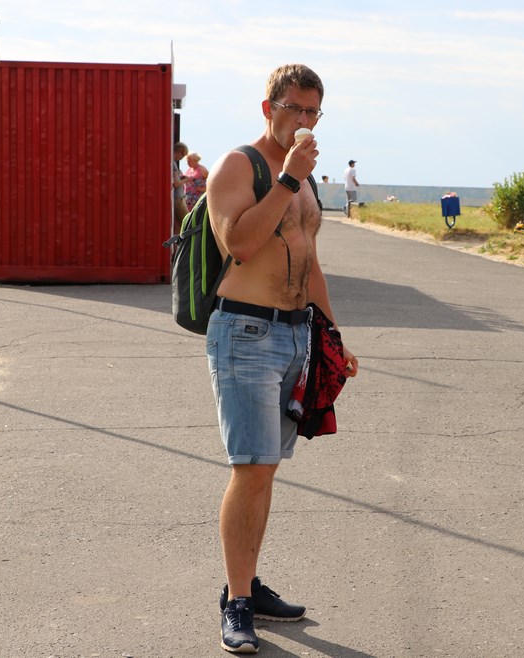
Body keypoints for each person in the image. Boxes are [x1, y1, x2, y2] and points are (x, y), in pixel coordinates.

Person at [206, 63, 358, 654]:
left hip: (296, 335)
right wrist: (290, 178)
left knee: (265, 469)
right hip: (245, 331)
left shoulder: (306, 176)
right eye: (294, 108)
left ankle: (244, 584)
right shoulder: (239, 165)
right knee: (251, 467)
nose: (304, 120)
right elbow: (241, 244)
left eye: (313, 111)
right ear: (267, 107)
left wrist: (332, 335)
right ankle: (237, 605)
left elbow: (309, 259)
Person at [172, 141, 190, 234]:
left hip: (177, 197)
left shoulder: (172, 163)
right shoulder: (173, 164)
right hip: (178, 198)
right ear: (180, 152)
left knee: (178, 225)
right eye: (182, 156)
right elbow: (176, 183)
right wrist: (185, 180)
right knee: (187, 222)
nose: (181, 158)